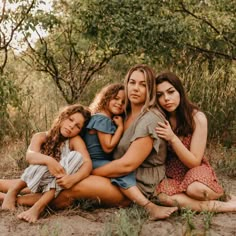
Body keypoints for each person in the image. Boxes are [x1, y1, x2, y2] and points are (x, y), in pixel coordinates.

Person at [0, 64, 177, 220]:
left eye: (143, 85)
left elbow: (127, 166)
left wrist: (87, 169)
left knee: (70, 186)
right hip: (112, 173)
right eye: (132, 82)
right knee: (45, 178)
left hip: (136, 182)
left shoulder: (150, 119)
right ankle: (8, 186)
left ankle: (12, 199)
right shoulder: (123, 113)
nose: (136, 88)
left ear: (151, 89)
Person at [84, 83, 170, 220]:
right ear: (106, 98)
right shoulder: (103, 120)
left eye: (124, 102)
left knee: (120, 173)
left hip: (95, 162)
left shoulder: (100, 117)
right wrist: (119, 128)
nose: (119, 103)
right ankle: (149, 207)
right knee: (124, 176)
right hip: (94, 162)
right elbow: (108, 147)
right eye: (115, 98)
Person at [155, 71, 236, 212]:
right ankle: (228, 206)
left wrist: (172, 138)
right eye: (160, 95)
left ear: (179, 91)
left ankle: (217, 192)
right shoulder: (159, 118)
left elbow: (194, 162)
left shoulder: (197, 117)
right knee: (163, 197)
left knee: (195, 189)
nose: (166, 99)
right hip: (172, 175)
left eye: (171, 92)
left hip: (195, 170)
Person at [1, 104, 92, 223]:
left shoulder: (74, 140)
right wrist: (49, 161)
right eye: (70, 120)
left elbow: (87, 163)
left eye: (77, 126)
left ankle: (38, 207)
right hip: (35, 181)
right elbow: (30, 156)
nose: (71, 126)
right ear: (63, 116)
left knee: (76, 157)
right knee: (41, 159)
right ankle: (13, 189)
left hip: (55, 187)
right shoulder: (40, 136)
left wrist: (73, 179)